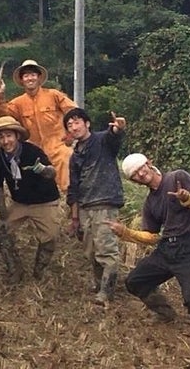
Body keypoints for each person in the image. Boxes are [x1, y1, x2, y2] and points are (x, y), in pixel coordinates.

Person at [106, 153, 190, 330]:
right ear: (133, 181)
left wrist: (187, 198)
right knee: (135, 281)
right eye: (134, 174)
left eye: (141, 168)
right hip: (167, 249)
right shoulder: (149, 203)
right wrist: (125, 233)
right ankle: (165, 313)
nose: (140, 174)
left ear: (149, 163)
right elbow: (152, 237)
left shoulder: (177, 177)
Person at [0, 116, 60, 282]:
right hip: (20, 202)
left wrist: (42, 170)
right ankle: (15, 270)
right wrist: (3, 214)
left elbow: (52, 173)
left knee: (50, 237)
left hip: (44, 201)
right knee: (1, 231)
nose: (6, 141)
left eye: (9, 136)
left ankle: (40, 271)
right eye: (1, 137)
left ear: (17, 136)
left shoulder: (33, 151)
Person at [64, 107, 126, 304]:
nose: (74, 127)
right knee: (91, 250)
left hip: (104, 202)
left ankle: (107, 291)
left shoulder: (101, 140)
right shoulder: (75, 155)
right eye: (70, 125)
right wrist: (74, 217)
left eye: (77, 122)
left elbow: (113, 137)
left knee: (106, 249)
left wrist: (118, 129)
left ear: (87, 123)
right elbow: (73, 188)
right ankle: (99, 283)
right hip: (85, 206)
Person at [0, 59, 77, 192]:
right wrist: (0, 94)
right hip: (34, 152)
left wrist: (70, 134)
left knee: (68, 161)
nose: (30, 78)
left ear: (39, 77)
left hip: (58, 148)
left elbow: (74, 112)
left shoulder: (54, 95)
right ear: (22, 80)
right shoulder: (18, 103)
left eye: (32, 74)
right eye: (26, 76)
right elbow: (2, 114)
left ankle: (70, 199)